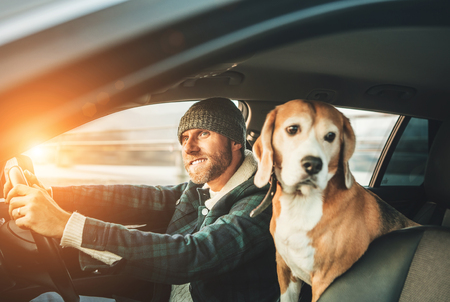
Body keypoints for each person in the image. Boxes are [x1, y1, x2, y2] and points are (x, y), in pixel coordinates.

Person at [4, 98, 279, 302]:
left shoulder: (261, 201)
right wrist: (52, 194)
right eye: (184, 137)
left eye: (203, 133)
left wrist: (66, 225)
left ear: (235, 141)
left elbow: (192, 256)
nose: (189, 147)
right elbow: (141, 197)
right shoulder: (203, 187)